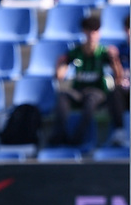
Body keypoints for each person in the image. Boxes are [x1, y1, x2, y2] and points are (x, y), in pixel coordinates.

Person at [50, 14, 125, 147]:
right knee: (62, 97)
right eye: (89, 30)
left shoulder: (103, 52)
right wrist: (59, 64)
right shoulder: (76, 51)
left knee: (90, 102)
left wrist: (115, 60)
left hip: (97, 91)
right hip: (78, 90)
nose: (92, 35)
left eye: (95, 31)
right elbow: (60, 76)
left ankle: (78, 139)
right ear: (84, 32)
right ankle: (59, 136)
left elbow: (119, 76)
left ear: (99, 33)